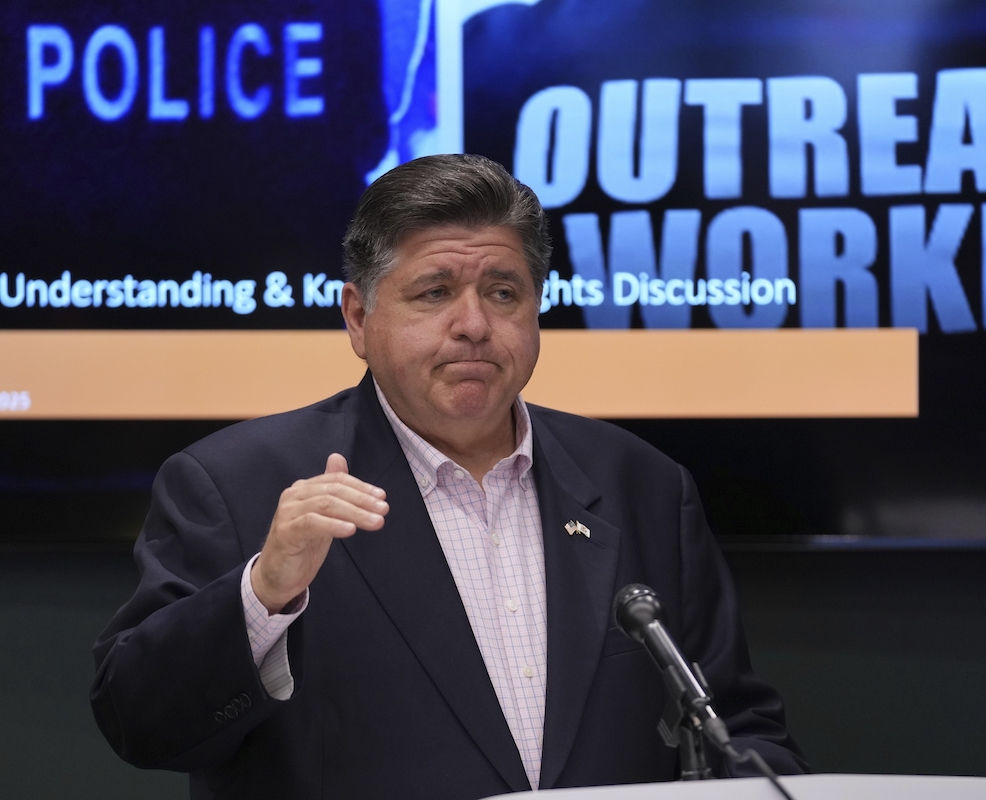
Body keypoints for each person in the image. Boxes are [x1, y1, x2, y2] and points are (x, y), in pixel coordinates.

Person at [91, 154, 806, 799]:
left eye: (503, 292)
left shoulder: (642, 484)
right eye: (434, 293)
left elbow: (735, 728)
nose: (473, 324)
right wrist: (262, 594)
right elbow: (141, 725)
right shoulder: (236, 483)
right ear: (358, 317)